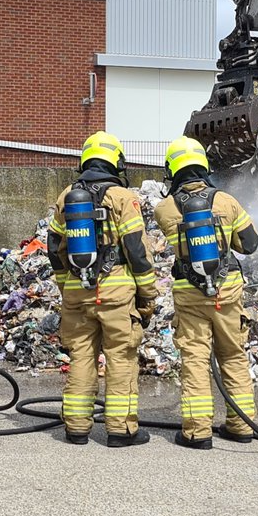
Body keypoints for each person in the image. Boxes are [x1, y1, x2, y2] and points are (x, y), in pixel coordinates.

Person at [46, 131, 158, 447]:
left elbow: (53, 246)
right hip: (117, 293)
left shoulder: (66, 195)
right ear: (116, 162)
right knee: (121, 358)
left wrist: (65, 285)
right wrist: (147, 293)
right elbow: (136, 250)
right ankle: (121, 431)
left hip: (77, 292)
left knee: (81, 357)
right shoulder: (123, 198)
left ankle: (77, 429)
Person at [154, 136, 258, 449]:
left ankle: (197, 433)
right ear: (203, 164)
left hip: (189, 294)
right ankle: (241, 426)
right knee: (233, 357)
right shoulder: (227, 202)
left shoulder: (165, 209)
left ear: (172, 169)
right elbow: (250, 245)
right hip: (227, 291)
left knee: (195, 360)